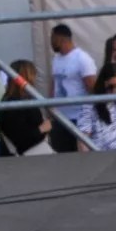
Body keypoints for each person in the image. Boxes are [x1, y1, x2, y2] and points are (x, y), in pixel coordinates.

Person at [48, 24, 98, 153]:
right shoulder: (56, 59)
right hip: (60, 118)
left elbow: (92, 88)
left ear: (62, 39)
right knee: (61, 156)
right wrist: (50, 110)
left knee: (79, 158)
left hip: (78, 119)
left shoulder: (82, 59)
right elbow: (54, 84)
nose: (51, 42)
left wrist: (90, 118)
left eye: (53, 39)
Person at [0, 60, 51, 156]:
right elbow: (21, 139)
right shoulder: (16, 104)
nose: (35, 79)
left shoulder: (14, 100)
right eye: (33, 75)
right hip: (30, 153)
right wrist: (41, 129)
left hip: (33, 149)